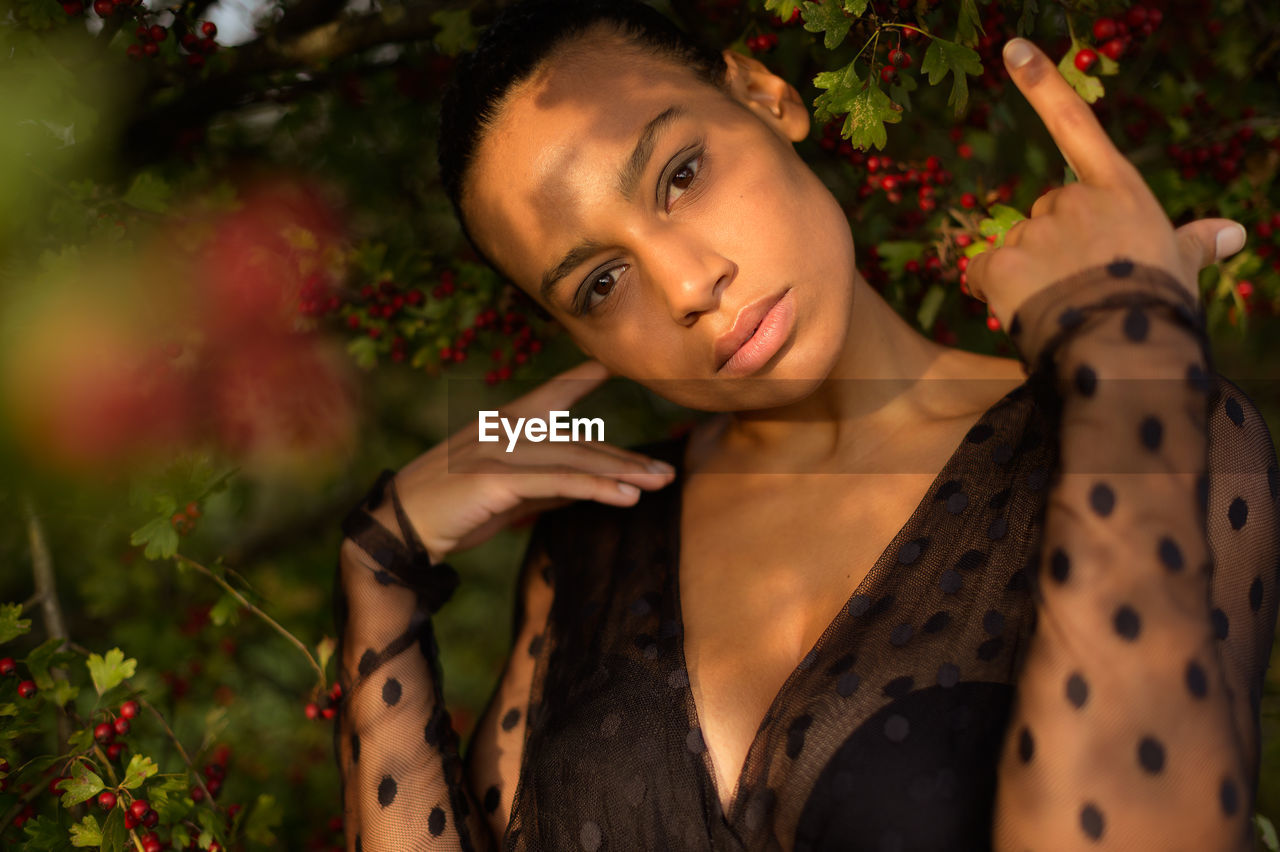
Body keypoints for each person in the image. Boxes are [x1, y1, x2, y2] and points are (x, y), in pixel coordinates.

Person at [332, 1, 1280, 849]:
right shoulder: (591, 547)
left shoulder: (1153, 436)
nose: (689, 285)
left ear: (766, 94)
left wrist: (1125, 359)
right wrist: (383, 566)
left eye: (681, 173)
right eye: (601, 282)